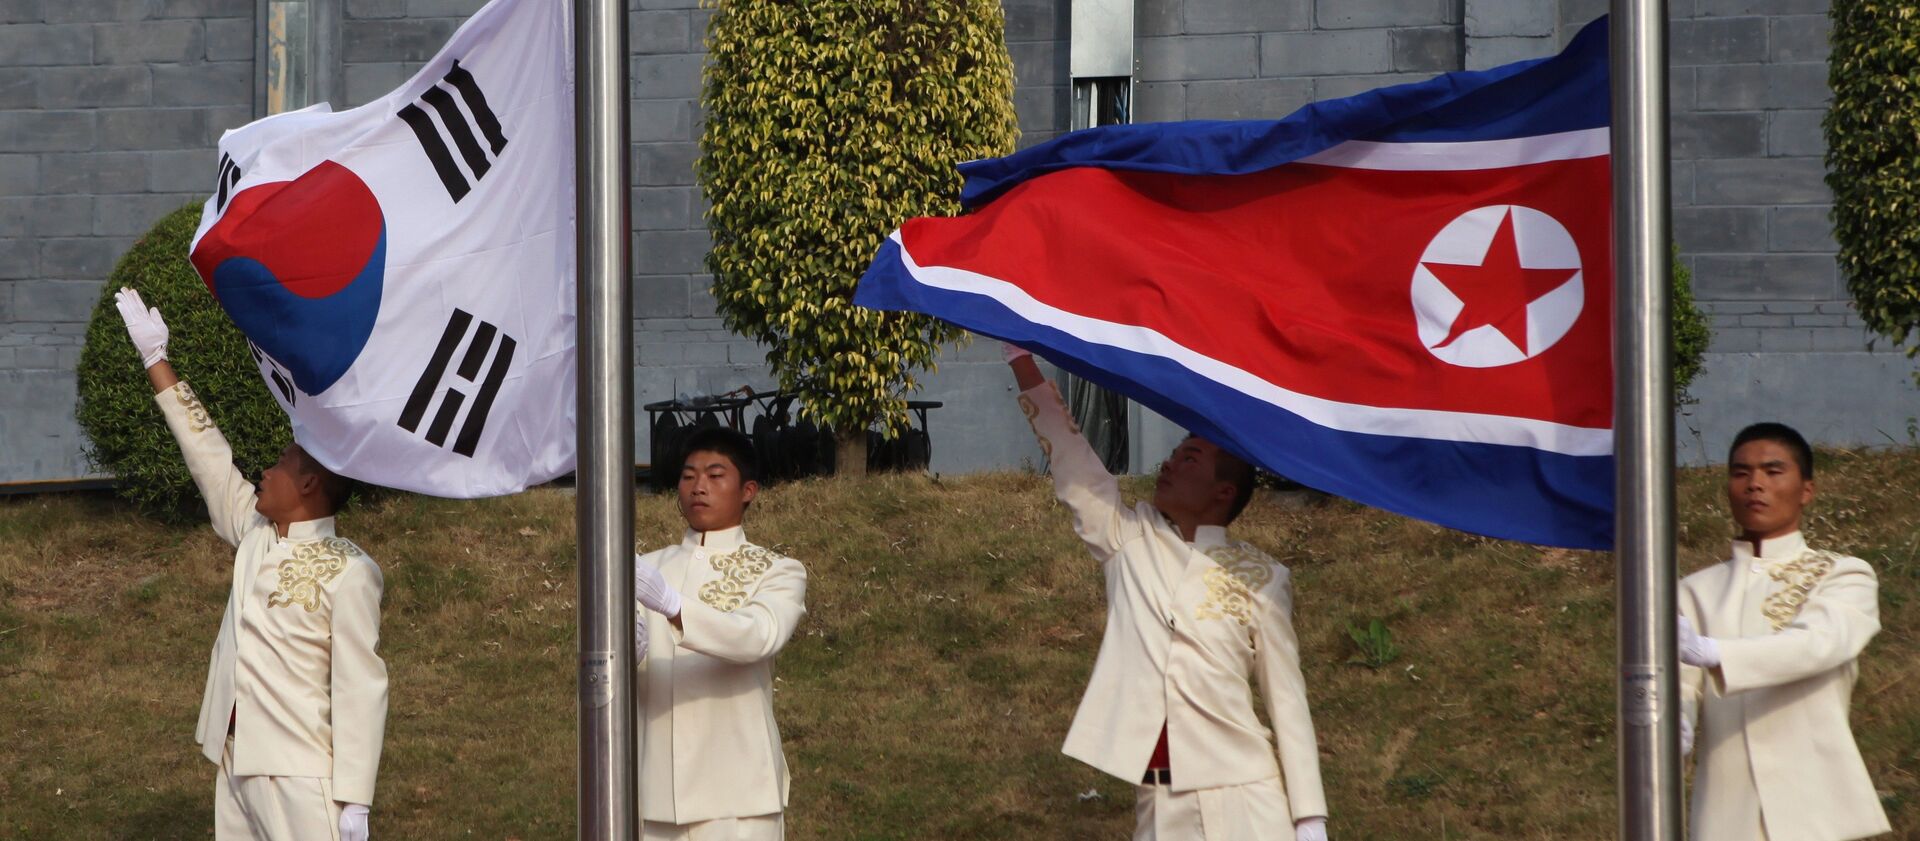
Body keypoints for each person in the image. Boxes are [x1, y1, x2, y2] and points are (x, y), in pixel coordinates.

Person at [1004, 344, 1328, 841]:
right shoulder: (1126, 538)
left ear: (1224, 492)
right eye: (1175, 453)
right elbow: (1073, 458)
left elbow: (1286, 698)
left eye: (1190, 457)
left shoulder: (1262, 576)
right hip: (1158, 806)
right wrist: (1021, 360)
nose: (1170, 464)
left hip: (1248, 798)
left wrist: (1308, 818)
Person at [114, 288, 386, 841]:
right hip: (235, 764)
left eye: (281, 463)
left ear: (309, 483)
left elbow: (361, 686)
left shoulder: (350, 570)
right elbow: (210, 458)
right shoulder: (256, 534)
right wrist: (155, 362)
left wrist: (355, 798)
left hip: (302, 777)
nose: (265, 470)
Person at [1677, 422, 1890, 841]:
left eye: (1773, 472)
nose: (1755, 484)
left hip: (1816, 811)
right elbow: (1679, 687)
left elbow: (1819, 643)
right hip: (1726, 812)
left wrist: (1715, 652)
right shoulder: (1692, 591)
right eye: (1741, 473)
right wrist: (1671, 727)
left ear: (1806, 489)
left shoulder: (1844, 573)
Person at [632, 426, 808, 841]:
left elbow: (759, 635)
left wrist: (675, 608)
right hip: (652, 792)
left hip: (738, 797)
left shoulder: (777, 570)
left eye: (715, 475)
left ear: (748, 490)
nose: (699, 487)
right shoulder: (645, 567)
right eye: (689, 475)